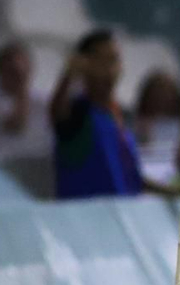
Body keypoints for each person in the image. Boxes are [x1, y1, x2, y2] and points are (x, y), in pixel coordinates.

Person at [50, 29, 145, 199]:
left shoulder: (122, 115)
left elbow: (129, 177)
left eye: (113, 60)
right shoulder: (78, 113)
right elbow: (56, 114)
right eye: (101, 61)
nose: (109, 70)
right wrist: (68, 75)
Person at [0, 40, 51, 163]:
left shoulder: (41, 96)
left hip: (37, 161)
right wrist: (21, 89)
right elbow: (16, 125)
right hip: (6, 162)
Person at [133, 70, 180, 191]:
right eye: (158, 94)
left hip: (173, 178)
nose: (162, 98)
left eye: (167, 93)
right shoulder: (134, 125)